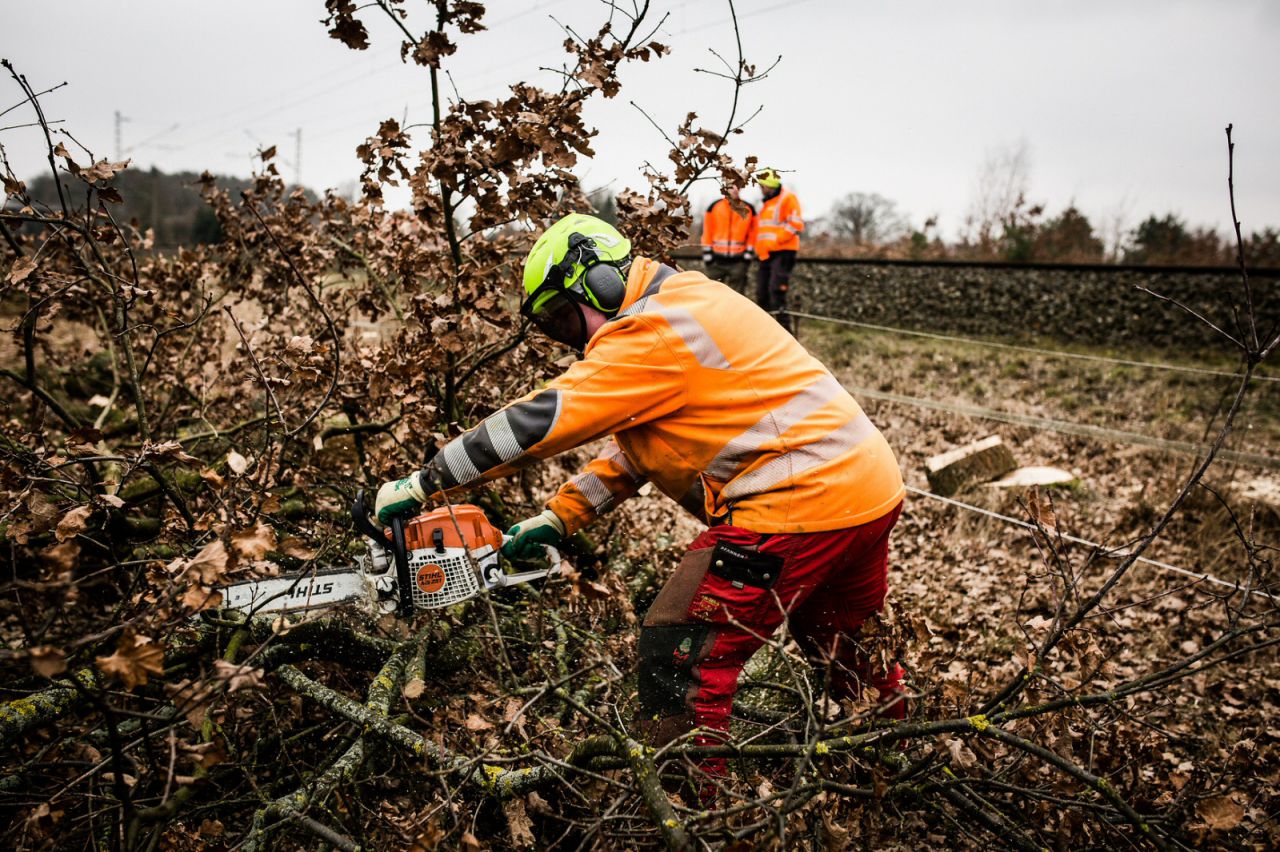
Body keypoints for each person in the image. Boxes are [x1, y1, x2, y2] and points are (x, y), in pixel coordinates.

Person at [375, 212, 906, 778]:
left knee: (679, 653)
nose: (568, 338)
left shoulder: (650, 331)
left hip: (799, 503)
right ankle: (895, 756)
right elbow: (643, 451)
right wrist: (559, 518)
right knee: (845, 644)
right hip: (866, 492)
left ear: (596, 282)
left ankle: (695, 813)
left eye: (561, 318)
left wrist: (424, 481)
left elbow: (537, 423)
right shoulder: (684, 303)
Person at [753, 168, 804, 333]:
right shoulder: (767, 203)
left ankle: (786, 333)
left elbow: (796, 224)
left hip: (783, 252)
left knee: (776, 293)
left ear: (770, 185)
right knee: (762, 294)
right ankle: (765, 333)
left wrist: (776, 241)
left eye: (763, 185)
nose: (760, 188)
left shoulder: (788, 198)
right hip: (766, 254)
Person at [699, 185, 756, 296]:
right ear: (725, 188)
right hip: (716, 261)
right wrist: (707, 255)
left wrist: (747, 256)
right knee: (711, 295)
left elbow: (753, 234)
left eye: (737, 186)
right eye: (731, 186)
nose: (735, 189)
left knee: (737, 297)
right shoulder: (714, 207)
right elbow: (707, 232)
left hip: (738, 261)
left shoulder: (748, 208)